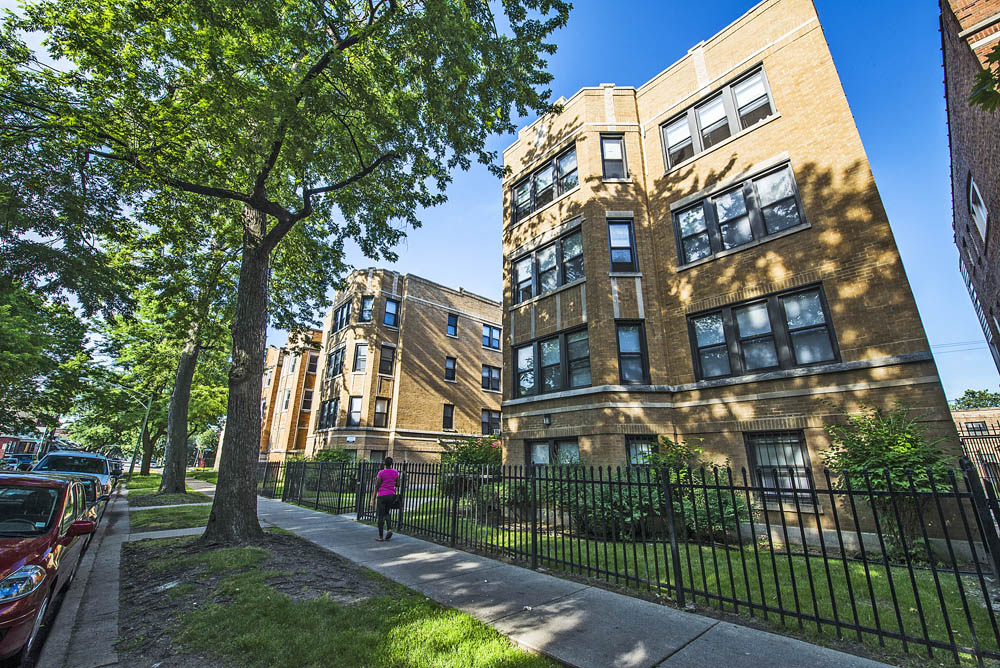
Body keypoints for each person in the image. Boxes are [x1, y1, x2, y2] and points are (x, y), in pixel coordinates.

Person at [371, 456, 400, 541]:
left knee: (381, 516)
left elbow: (377, 486)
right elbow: (398, 484)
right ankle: (389, 529)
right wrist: (391, 483)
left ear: (384, 464)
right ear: (392, 464)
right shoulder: (395, 472)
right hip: (391, 495)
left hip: (382, 495)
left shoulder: (381, 473)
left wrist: (372, 499)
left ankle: (380, 537)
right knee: (387, 512)